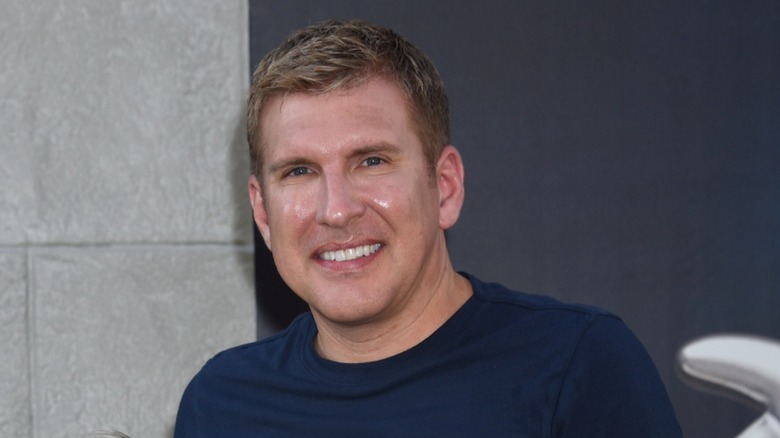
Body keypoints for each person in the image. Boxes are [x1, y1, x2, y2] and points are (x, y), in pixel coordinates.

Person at [174, 19, 681, 436]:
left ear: (445, 186)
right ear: (263, 211)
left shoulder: (578, 365)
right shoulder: (222, 403)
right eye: (299, 171)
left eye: (371, 161)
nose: (336, 210)